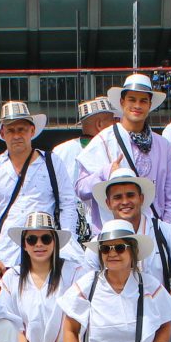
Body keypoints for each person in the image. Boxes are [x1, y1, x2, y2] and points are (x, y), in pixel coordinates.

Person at [0, 101, 74, 272]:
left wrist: (66, 244)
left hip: (45, 252)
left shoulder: (52, 162)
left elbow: (67, 204)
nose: (16, 135)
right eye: (11, 130)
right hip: (5, 257)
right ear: (2, 133)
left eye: (22, 129)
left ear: (32, 131)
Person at [1, 211, 78, 342]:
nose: (39, 244)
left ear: (55, 242)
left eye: (46, 238)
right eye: (32, 239)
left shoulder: (74, 272)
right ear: (24, 244)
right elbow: (11, 325)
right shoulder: (11, 277)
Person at [77, 73, 171, 232]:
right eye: (132, 99)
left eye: (143, 101)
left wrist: (168, 231)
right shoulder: (103, 140)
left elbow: (170, 196)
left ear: (150, 105)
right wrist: (106, 172)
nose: (137, 106)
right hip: (113, 231)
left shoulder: (162, 145)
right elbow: (81, 189)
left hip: (154, 229)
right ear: (122, 102)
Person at [86, 171, 171, 288]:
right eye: (117, 197)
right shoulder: (98, 244)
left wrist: (166, 303)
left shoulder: (166, 232)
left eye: (130, 195)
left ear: (141, 198)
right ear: (108, 203)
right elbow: (89, 286)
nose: (125, 202)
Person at [52, 97, 114, 243]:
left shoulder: (60, 150)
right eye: (113, 120)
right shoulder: (61, 152)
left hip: (97, 228)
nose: (116, 125)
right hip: (79, 230)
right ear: (100, 124)